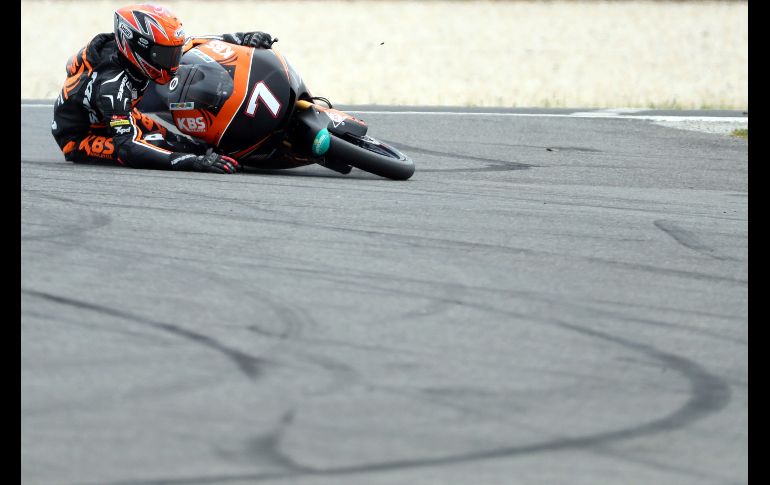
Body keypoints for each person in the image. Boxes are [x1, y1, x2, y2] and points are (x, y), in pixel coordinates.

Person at [50, 4, 277, 174]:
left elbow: (191, 43)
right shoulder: (112, 85)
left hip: (116, 112)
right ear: (137, 48)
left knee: (186, 142)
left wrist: (242, 38)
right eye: (165, 55)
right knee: (158, 143)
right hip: (82, 136)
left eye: (174, 53)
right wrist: (191, 163)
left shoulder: (141, 54)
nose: (173, 63)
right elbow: (128, 146)